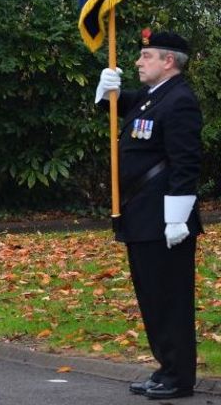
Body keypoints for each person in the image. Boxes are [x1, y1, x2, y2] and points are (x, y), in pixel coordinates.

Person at [95, 29, 202, 400]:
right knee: (153, 299)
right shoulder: (154, 97)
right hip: (142, 216)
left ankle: (179, 377)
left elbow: (186, 164)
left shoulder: (180, 101)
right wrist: (106, 93)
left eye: (146, 56)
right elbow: (129, 109)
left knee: (170, 301)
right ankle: (166, 368)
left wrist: (177, 217)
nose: (138, 62)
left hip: (164, 220)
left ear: (168, 61)